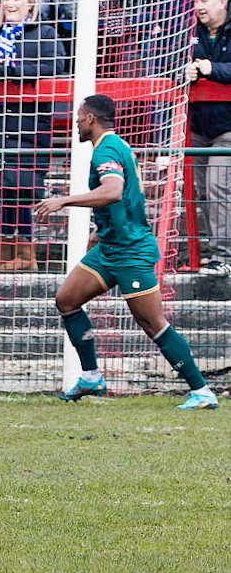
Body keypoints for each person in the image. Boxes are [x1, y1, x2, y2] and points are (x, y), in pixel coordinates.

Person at [37, 95, 218, 410]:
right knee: (66, 300)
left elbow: (114, 190)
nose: (76, 121)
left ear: (91, 118)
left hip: (131, 251)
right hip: (110, 246)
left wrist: (63, 200)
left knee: (152, 323)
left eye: (79, 116)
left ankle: (201, 391)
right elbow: (129, 197)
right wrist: (100, 229)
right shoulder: (117, 145)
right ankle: (92, 376)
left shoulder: (105, 150)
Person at [0, 0, 66, 272]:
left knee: (22, 187)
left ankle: (25, 253)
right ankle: (6, 253)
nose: (10, 4)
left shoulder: (45, 33)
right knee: (1, 187)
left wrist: (15, 69)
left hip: (29, 123)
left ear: (30, 3)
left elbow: (55, 66)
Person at [186, 0, 231, 278]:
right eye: (196, 1)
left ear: (222, 2)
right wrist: (184, 71)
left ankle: (222, 256)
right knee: (200, 189)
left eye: (203, 0)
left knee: (217, 183)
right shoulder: (189, 32)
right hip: (198, 123)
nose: (198, 6)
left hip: (228, 125)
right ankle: (205, 252)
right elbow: (167, 65)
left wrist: (211, 69)